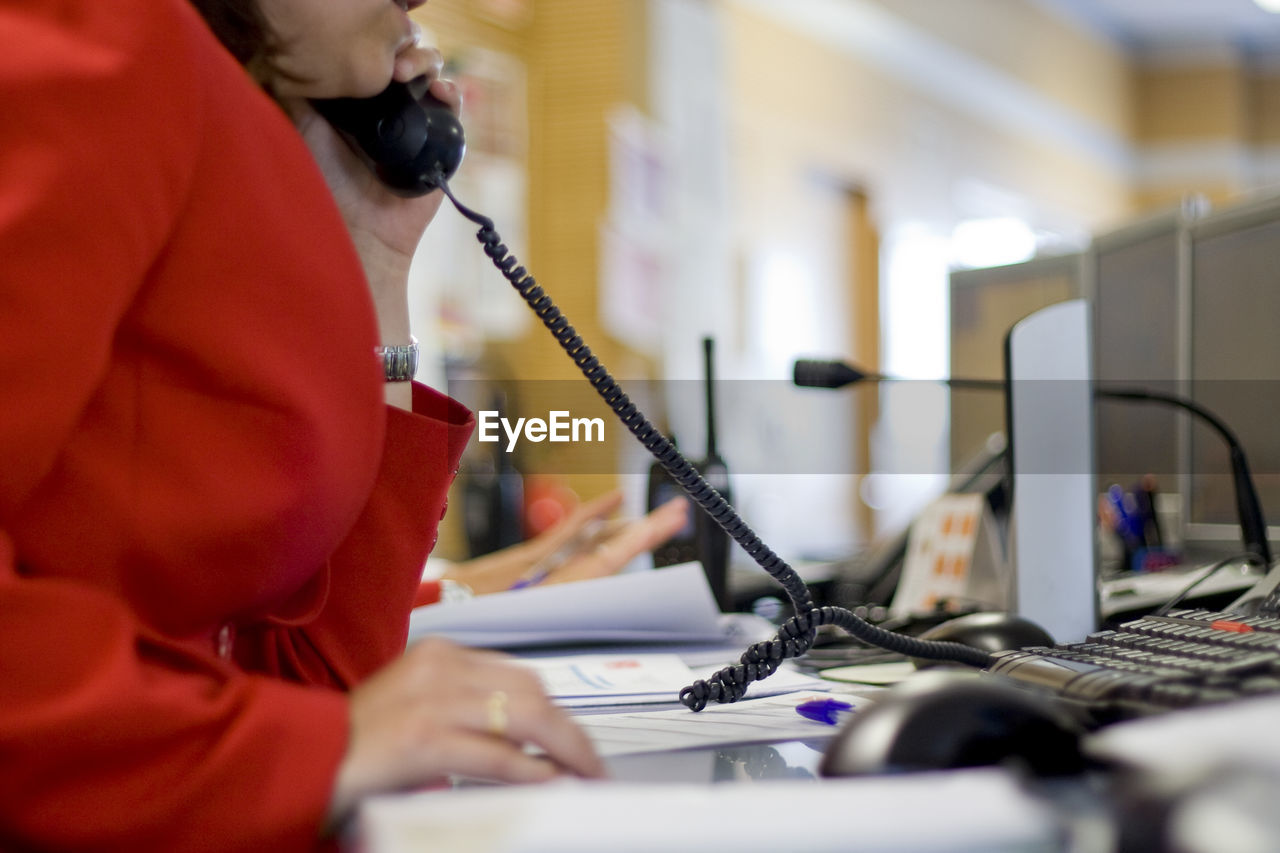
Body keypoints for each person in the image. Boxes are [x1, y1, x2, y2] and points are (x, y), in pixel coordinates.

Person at [0, 0, 687, 849]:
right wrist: (315, 749)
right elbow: (331, 721)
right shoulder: (97, 43)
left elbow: (335, 674)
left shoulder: (239, 130)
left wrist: (378, 257)